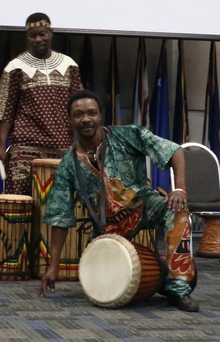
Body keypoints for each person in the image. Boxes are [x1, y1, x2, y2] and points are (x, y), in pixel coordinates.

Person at [38, 90, 199, 312]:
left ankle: (179, 289)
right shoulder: (68, 163)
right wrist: (53, 266)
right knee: (102, 287)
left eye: (92, 113)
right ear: (70, 119)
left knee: (178, 212)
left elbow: (174, 151)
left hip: (144, 206)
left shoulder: (128, 135)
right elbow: (60, 216)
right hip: (108, 228)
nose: (86, 119)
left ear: (100, 115)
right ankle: (160, 273)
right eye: (79, 114)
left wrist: (179, 189)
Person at [0, 13, 82, 195]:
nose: (38, 39)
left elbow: (79, 108)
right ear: (27, 37)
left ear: (51, 33)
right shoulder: (15, 67)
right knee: (22, 205)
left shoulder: (69, 65)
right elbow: (4, 111)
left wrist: (81, 144)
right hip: (25, 149)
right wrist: (1, 146)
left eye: (42, 34)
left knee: (61, 206)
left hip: (62, 146)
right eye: (33, 36)